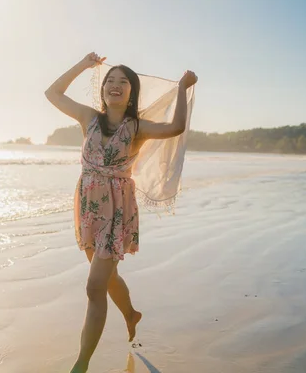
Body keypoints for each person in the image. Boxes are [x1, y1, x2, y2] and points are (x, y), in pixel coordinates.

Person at [44, 52, 197, 373]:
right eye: (110, 80)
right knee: (107, 276)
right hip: (88, 205)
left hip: (116, 209)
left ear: (131, 92)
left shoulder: (137, 127)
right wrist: (85, 65)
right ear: (102, 90)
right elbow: (52, 93)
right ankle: (131, 314)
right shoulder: (88, 117)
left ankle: (81, 363)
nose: (115, 85)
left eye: (123, 82)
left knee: (94, 286)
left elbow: (176, 126)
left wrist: (183, 87)